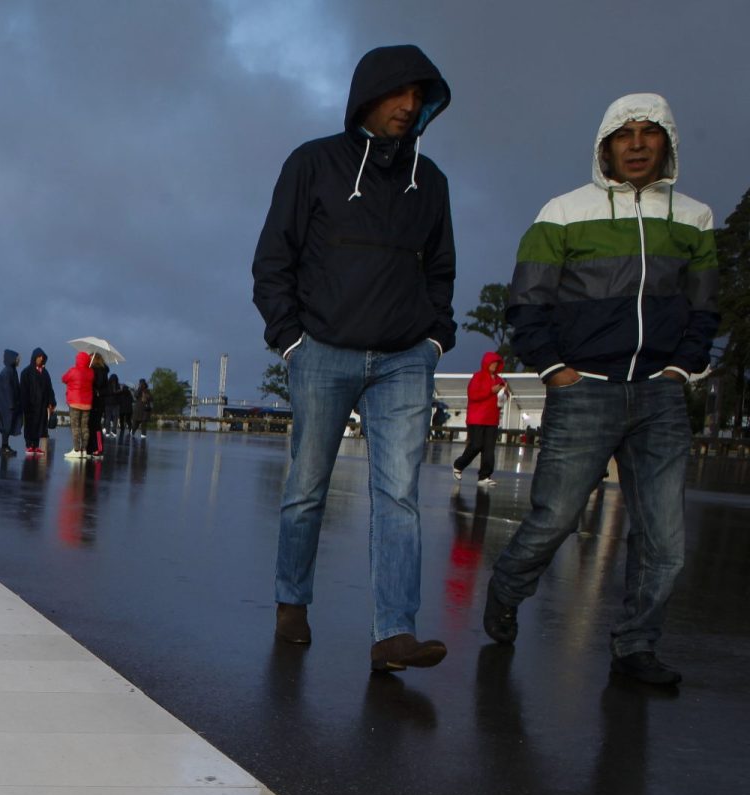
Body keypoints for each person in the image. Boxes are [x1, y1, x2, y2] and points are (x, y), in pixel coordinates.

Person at [484, 93, 719, 687]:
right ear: (605, 146)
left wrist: (681, 371)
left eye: (649, 133)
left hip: (661, 395)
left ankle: (636, 645)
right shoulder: (562, 212)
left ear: (667, 142)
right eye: (624, 134)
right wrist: (555, 370)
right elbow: (527, 302)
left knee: (664, 539)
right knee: (555, 519)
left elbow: (703, 308)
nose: (637, 144)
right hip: (584, 389)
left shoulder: (693, 218)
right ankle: (507, 587)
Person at [252, 44, 456, 671]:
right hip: (322, 351)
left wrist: (434, 341)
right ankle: (292, 600)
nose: (409, 105)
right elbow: (273, 259)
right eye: (399, 93)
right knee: (307, 489)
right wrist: (289, 338)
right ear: (368, 95)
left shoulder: (433, 183)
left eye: (419, 96)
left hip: (402, 361)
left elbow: (441, 270)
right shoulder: (313, 164)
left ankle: (394, 633)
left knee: (398, 496)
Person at [452, 351, 506, 485]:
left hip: (492, 419)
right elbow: (473, 395)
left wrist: (504, 394)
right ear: (486, 363)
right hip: (477, 418)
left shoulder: (500, 380)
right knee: (476, 445)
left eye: (496, 363)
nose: (494, 365)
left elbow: (502, 398)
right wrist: (491, 391)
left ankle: (484, 476)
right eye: (492, 362)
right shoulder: (478, 377)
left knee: (489, 449)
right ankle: (459, 465)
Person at [19, 348, 55, 455]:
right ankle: (29, 445)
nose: (41, 358)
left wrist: (51, 402)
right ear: (34, 357)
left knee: (40, 425)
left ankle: (36, 445)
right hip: (30, 404)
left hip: (42, 404)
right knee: (30, 424)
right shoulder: (26, 372)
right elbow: (23, 389)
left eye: (42, 357)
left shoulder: (45, 372)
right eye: (39, 356)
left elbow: (49, 388)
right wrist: (24, 403)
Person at [62, 350, 95, 458]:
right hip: (87, 404)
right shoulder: (91, 373)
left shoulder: (73, 370)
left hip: (75, 403)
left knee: (75, 426)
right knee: (85, 427)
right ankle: (84, 450)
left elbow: (64, 378)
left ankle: (76, 449)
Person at [0, 352, 21, 455]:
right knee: (6, 425)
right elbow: (6, 389)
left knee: (7, 425)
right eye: (17, 358)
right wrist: (11, 403)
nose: (19, 361)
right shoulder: (7, 372)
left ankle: (5, 446)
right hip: (6, 404)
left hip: (7, 403)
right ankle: (4, 447)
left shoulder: (11, 371)